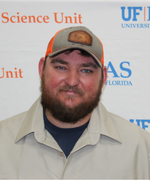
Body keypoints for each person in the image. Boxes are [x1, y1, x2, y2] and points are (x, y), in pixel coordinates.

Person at [0, 26, 150, 179]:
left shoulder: (141, 149)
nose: (72, 81)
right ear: (42, 69)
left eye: (86, 70)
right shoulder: (2, 140)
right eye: (61, 67)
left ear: (103, 78)